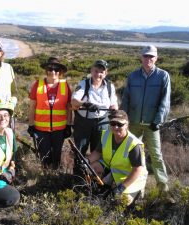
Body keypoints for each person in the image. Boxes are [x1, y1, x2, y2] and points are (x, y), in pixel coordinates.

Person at [121, 45, 171, 193]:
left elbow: (165, 101)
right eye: (146, 56)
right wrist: (124, 119)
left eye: (151, 56)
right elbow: (126, 99)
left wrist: (158, 120)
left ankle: (163, 189)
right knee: (130, 154)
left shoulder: (163, 76)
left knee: (156, 155)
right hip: (134, 122)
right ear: (141, 57)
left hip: (152, 124)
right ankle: (131, 186)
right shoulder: (133, 76)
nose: (148, 59)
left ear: (156, 58)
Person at [87, 110, 147, 205]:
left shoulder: (134, 144)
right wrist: (87, 161)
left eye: (119, 124)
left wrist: (122, 187)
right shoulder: (106, 134)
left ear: (126, 125)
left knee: (122, 200)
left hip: (131, 178)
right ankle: (103, 187)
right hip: (113, 170)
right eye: (113, 123)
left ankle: (138, 194)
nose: (115, 127)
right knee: (90, 169)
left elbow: (137, 170)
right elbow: (97, 152)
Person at [27, 57, 72, 169]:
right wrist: (31, 125)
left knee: (57, 155)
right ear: (46, 70)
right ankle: (45, 177)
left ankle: (56, 175)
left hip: (59, 129)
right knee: (44, 155)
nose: (53, 72)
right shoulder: (38, 85)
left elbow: (68, 108)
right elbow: (32, 107)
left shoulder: (65, 86)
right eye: (50, 69)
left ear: (60, 72)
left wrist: (69, 125)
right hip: (41, 129)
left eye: (56, 69)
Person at [71, 59, 118, 156]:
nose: (98, 74)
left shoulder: (110, 87)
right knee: (80, 151)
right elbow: (74, 100)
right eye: (96, 71)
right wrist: (85, 104)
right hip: (83, 122)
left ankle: (94, 171)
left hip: (102, 123)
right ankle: (79, 171)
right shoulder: (84, 84)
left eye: (101, 72)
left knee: (98, 152)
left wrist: (114, 110)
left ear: (105, 73)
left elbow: (113, 104)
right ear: (92, 70)